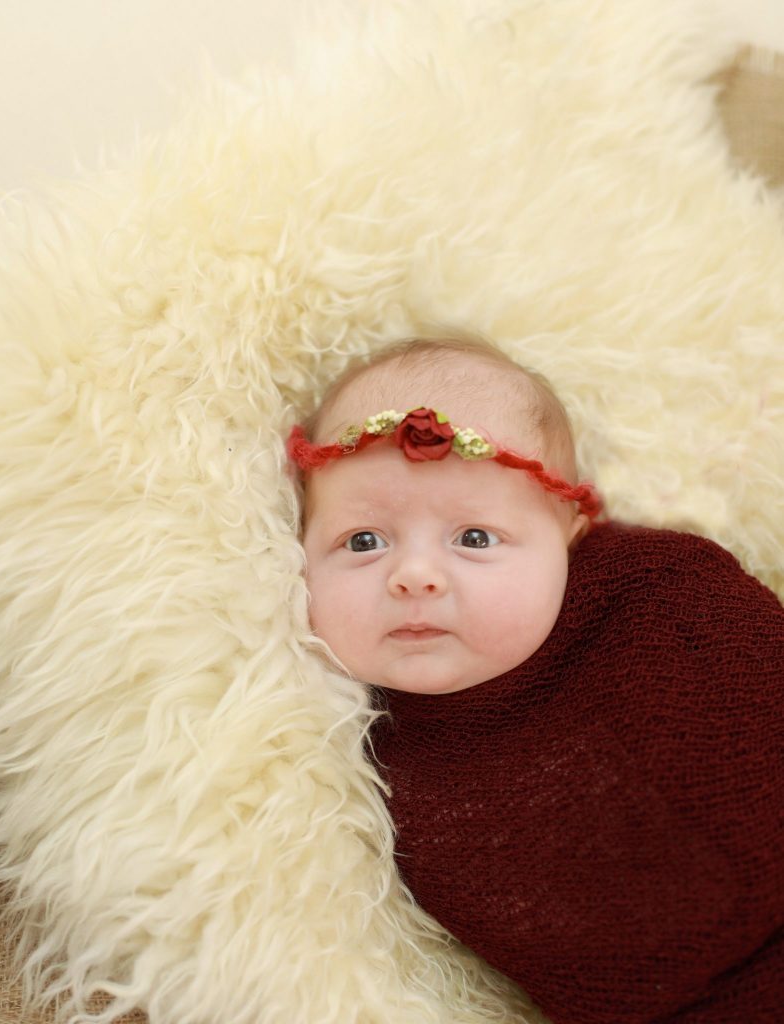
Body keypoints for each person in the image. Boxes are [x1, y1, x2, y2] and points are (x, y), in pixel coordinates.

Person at [287, 336, 784, 1024]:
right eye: (364, 541)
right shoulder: (330, 753)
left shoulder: (664, 600)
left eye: (475, 538)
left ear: (570, 535)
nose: (415, 576)